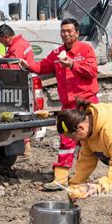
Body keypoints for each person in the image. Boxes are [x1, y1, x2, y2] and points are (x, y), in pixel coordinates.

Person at [20, 18, 98, 190]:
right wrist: (28, 65)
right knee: (65, 138)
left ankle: (81, 178)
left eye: (69, 31)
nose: (66, 34)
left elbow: (92, 71)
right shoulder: (57, 53)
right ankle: (61, 178)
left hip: (86, 104)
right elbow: (42, 67)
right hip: (68, 106)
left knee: (87, 141)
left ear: (77, 33)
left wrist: (72, 64)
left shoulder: (85, 49)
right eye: (63, 31)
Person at [0, 24, 35, 160]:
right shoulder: (19, 43)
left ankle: (25, 150)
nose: (0, 42)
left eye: (0, 39)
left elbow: (14, 66)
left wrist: (0, 61)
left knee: (19, 115)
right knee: (21, 114)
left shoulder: (17, 46)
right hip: (22, 83)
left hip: (20, 84)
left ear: (5, 37)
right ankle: (25, 148)